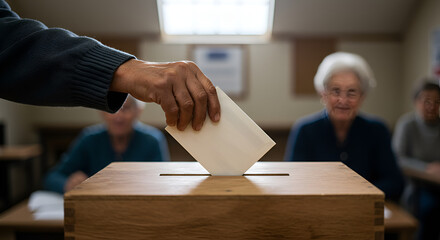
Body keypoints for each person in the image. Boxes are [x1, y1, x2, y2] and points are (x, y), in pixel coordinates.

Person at [0, 0, 220, 131]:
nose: (120, 117)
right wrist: (125, 70)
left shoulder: (148, 140)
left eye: (128, 110)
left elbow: (7, 36)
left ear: (137, 114)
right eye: (119, 110)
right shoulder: (91, 138)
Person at [284, 52, 405, 202]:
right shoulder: (304, 130)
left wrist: (357, 196)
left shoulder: (377, 130)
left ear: (362, 96)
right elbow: (292, 182)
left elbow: (394, 183)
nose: (343, 100)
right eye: (335, 91)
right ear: (323, 94)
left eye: (352, 92)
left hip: (364, 210)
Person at [44, 95, 169, 194]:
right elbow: (52, 177)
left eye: (125, 109)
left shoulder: (152, 140)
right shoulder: (89, 139)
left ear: (138, 111)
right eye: (112, 110)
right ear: (102, 112)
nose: (118, 116)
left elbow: (163, 182)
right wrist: (68, 184)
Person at [393, 80, 440, 240]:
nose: (431, 106)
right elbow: (398, 160)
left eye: (437, 102)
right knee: (430, 209)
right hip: (416, 186)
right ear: (416, 101)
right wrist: (428, 170)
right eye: (426, 100)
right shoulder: (407, 125)